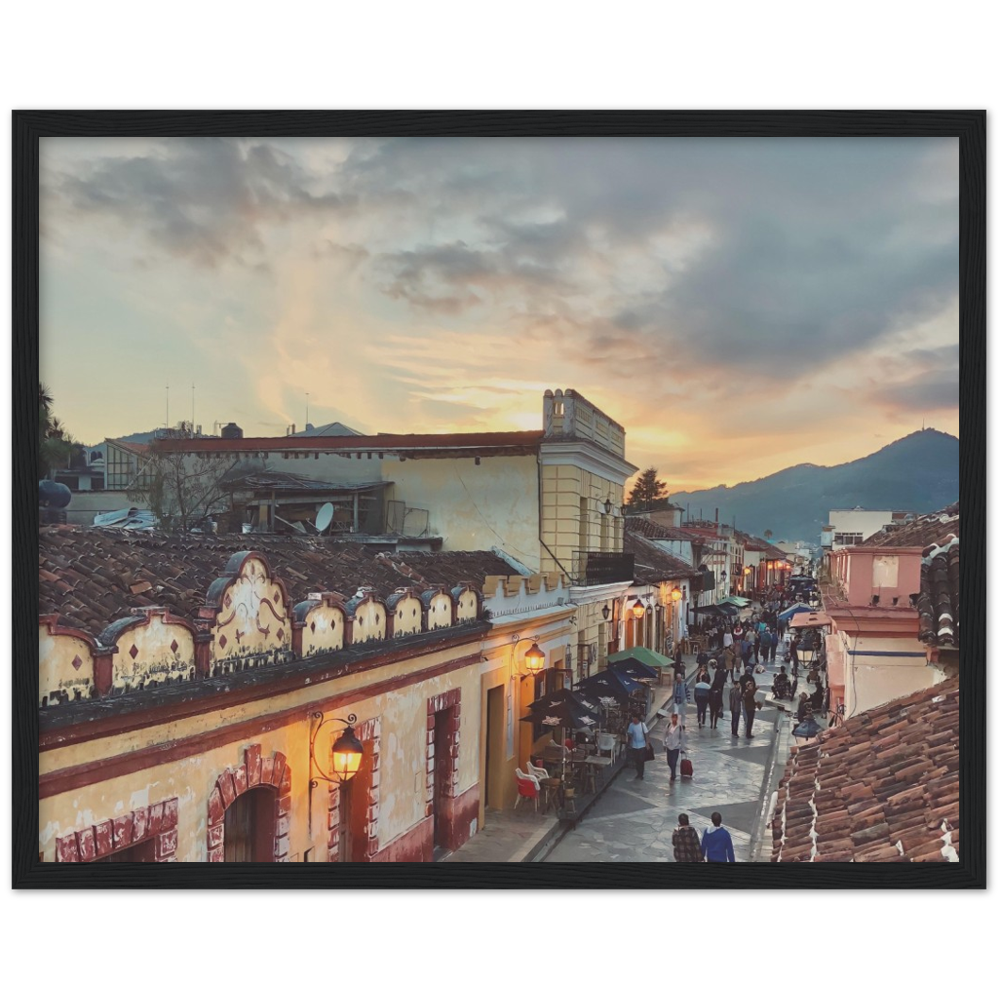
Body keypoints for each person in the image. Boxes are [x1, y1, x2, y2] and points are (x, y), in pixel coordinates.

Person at [662, 711, 685, 781]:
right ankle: (672, 771)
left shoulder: (680, 727)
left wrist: (682, 748)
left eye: (675, 717)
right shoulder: (669, 725)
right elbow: (664, 734)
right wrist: (664, 743)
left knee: (674, 761)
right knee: (669, 761)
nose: (674, 719)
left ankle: (673, 774)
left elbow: (682, 738)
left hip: (676, 746)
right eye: (673, 717)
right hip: (669, 746)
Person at [626, 712, 650, 780]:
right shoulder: (631, 725)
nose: (633, 720)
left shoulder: (642, 725)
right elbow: (629, 733)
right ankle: (638, 773)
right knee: (636, 760)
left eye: (634, 718)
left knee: (641, 760)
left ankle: (641, 774)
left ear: (637, 719)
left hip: (642, 745)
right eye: (633, 718)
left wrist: (647, 743)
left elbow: (646, 733)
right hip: (634, 745)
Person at [742, 674, 758, 738]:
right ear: (747, 687)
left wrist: (756, 703)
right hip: (749, 709)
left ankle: (749, 733)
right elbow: (751, 694)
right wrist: (755, 689)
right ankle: (748, 734)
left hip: (751, 707)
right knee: (749, 721)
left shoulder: (748, 692)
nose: (752, 687)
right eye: (750, 686)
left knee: (750, 721)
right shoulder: (747, 692)